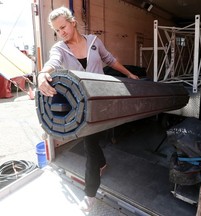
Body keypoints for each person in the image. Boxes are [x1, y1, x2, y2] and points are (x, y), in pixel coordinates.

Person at [37, 6, 139, 212]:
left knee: (97, 139)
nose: (62, 32)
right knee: (91, 146)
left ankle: (102, 164)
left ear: (73, 22)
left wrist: (129, 74)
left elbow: (110, 59)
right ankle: (90, 195)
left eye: (64, 26)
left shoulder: (94, 41)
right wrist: (42, 74)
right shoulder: (60, 48)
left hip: (103, 99)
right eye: (57, 30)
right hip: (82, 107)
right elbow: (52, 62)